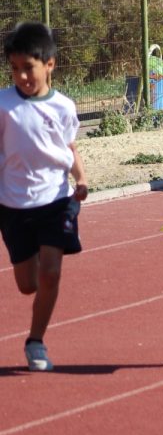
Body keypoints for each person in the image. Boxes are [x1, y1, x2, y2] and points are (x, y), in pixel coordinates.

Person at [0, 22, 87, 372]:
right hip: (13, 204)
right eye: (15, 69)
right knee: (27, 285)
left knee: (51, 273)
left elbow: (68, 146)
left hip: (56, 199)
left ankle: (35, 341)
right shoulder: (3, 105)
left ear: (49, 64)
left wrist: (80, 177)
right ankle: (32, 254)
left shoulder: (63, 107)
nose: (22, 76)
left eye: (28, 68)